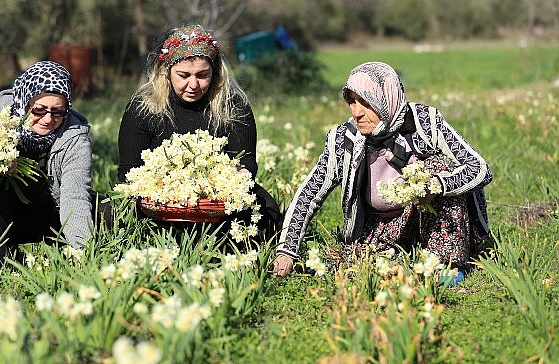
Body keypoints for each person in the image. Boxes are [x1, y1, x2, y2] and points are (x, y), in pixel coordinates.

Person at [273, 61, 492, 280]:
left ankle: (446, 264)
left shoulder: (425, 123)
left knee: (438, 166)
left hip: (425, 219)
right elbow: (309, 193)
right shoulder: (344, 140)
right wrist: (287, 250)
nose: (356, 112)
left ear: (386, 99)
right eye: (351, 101)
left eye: (365, 103)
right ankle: (400, 259)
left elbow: (479, 168)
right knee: (353, 270)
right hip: (380, 231)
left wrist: (436, 186)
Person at [117, 24, 281, 241]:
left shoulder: (234, 105)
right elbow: (128, 170)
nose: (193, 84)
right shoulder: (143, 106)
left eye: (203, 75)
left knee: (267, 211)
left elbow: (246, 163)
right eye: (183, 75)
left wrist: (223, 184)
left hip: (218, 204)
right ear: (166, 71)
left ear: (215, 71)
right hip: (160, 204)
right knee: (112, 214)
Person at [0, 61, 95, 262]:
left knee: (103, 210)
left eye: (58, 111)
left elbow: (74, 197)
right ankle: (1, 265)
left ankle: (64, 259)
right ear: (25, 102)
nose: (48, 119)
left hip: (49, 214)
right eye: (39, 110)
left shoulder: (74, 136)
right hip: (4, 215)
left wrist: (82, 253)